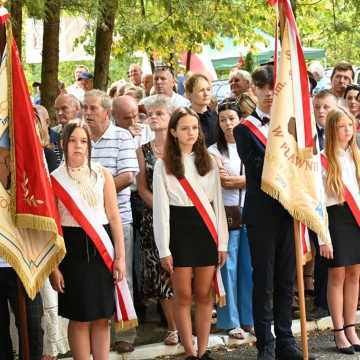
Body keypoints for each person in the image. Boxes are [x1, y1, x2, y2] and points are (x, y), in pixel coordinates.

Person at [234, 65, 316, 360]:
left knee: (286, 279)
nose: (269, 93)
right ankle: (265, 345)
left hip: (290, 212)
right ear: (253, 90)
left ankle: (286, 341)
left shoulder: (294, 125)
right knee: (264, 281)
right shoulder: (244, 129)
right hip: (262, 214)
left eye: (273, 88)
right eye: (263, 88)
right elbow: (259, 170)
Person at [153, 107, 228, 360]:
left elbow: (217, 203)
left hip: (206, 229)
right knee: (183, 294)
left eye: (194, 128)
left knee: (205, 294)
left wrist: (222, 243)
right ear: (173, 131)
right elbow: (161, 211)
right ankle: (190, 350)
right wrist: (164, 248)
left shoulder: (209, 161)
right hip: (179, 230)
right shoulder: (163, 166)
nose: (191, 133)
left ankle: (204, 349)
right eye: (184, 128)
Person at [50, 119, 127, 359]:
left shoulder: (102, 174)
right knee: (79, 318)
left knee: (102, 317)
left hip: (101, 249)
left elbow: (114, 217)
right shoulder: (53, 179)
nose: (78, 146)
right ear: (63, 144)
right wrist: (54, 267)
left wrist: (120, 258)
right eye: (72, 140)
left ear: (90, 145)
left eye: (83, 141)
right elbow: (50, 228)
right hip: (70, 252)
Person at [83, 90, 139, 354]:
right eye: (85, 107)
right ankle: (100, 329)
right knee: (94, 279)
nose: (87, 112)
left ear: (107, 112)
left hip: (118, 219)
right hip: (86, 222)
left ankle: (125, 332)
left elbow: (128, 176)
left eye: (93, 108)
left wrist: (94, 194)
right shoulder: (80, 138)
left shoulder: (122, 136)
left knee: (121, 275)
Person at [208, 102, 253, 339]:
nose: (227, 124)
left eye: (232, 118)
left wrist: (243, 179)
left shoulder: (250, 145)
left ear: (240, 119)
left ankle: (248, 317)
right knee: (228, 266)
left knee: (249, 266)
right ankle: (230, 320)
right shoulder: (214, 151)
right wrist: (248, 179)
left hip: (251, 210)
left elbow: (260, 175)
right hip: (227, 213)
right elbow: (224, 182)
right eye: (223, 119)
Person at [137, 95, 177, 345]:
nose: (153, 117)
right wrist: (163, 210)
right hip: (154, 219)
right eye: (150, 113)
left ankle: (189, 325)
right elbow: (142, 188)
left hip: (184, 219)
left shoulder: (184, 146)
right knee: (164, 273)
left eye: (159, 113)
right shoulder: (142, 150)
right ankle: (173, 328)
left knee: (184, 272)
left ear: (171, 116)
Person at [321, 108, 360, 354]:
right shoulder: (322, 159)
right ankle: (338, 331)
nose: (348, 130)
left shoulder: (355, 155)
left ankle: (351, 326)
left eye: (350, 125)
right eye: (342, 126)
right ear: (332, 129)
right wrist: (323, 237)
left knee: (355, 274)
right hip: (334, 218)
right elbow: (318, 202)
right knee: (337, 276)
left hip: (355, 219)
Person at [185, 73, 218, 147]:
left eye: (208, 89)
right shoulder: (185, 118)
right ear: (189, 94)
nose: (206, 93)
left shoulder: (216, 115)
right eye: (201, 90)